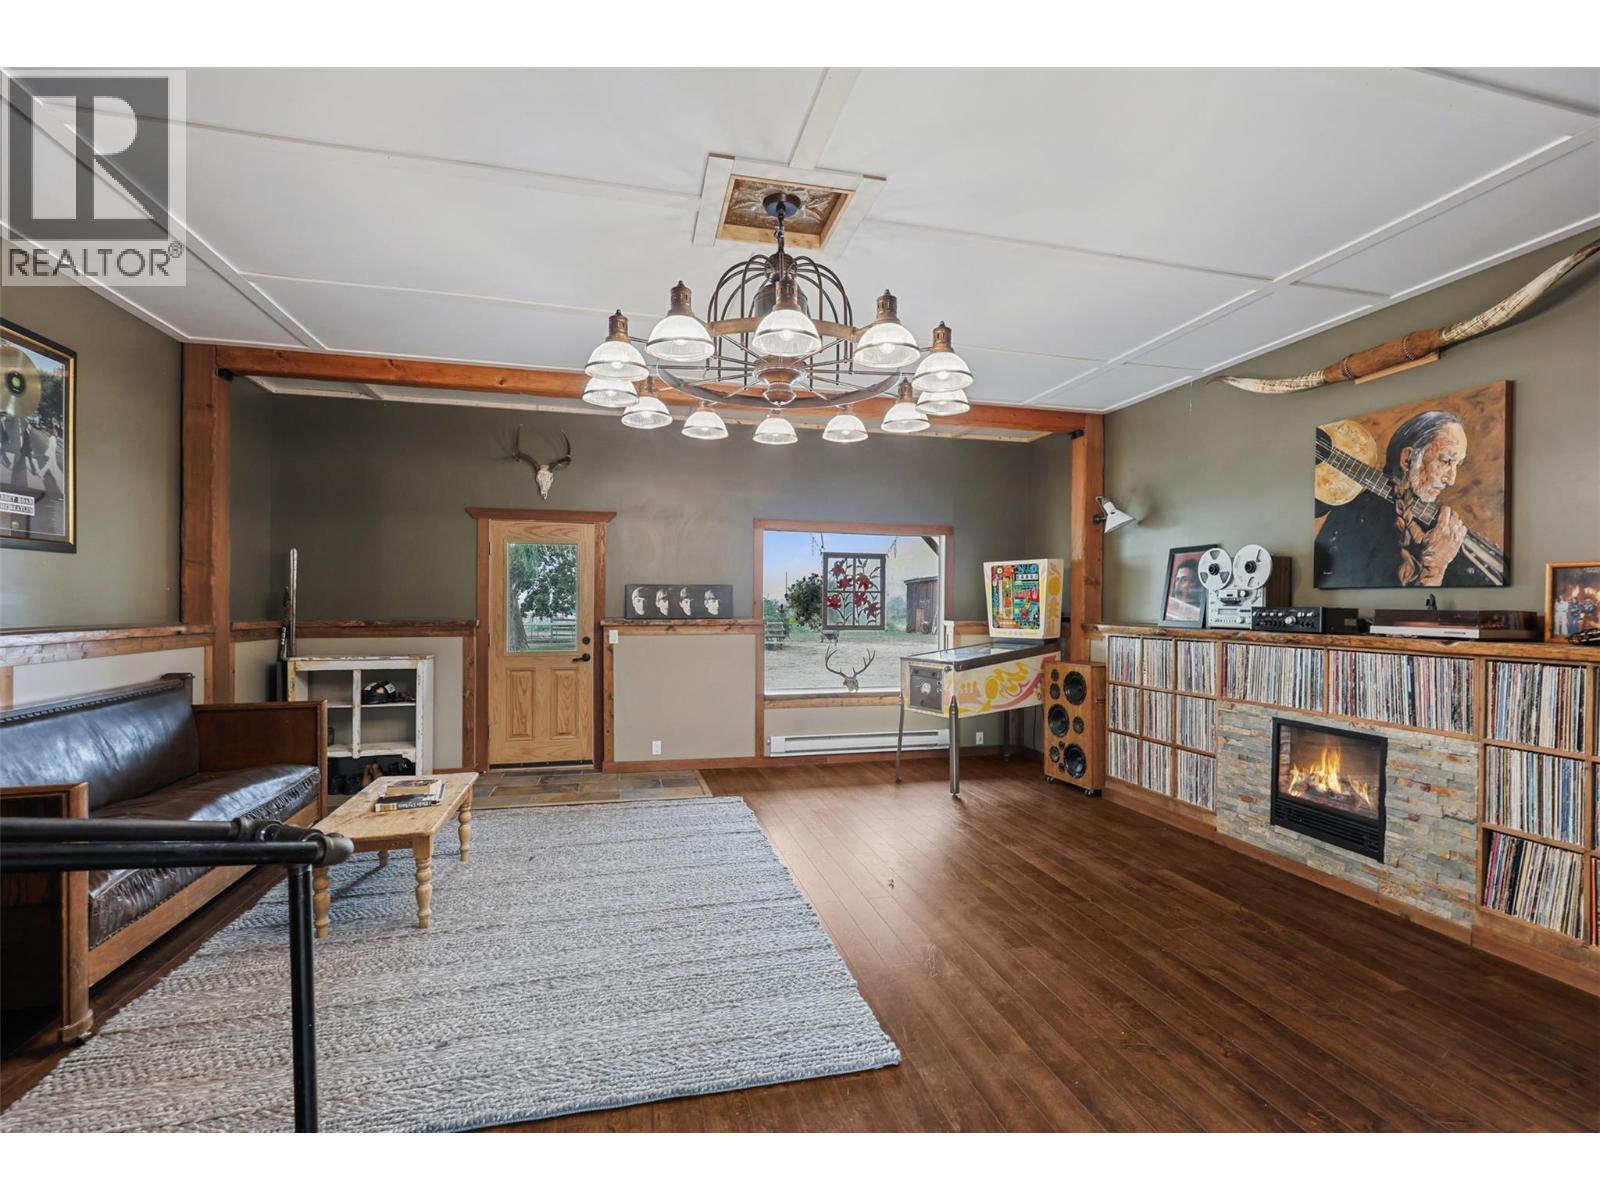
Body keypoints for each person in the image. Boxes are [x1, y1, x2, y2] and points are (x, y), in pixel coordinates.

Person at [1315, 410, 1491, 588]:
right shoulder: (1361, 519)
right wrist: (1435, 568)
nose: (1451, 479)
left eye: (1457, 465)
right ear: (1407, 459)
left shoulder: (1433, 524)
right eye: (1446, 460)